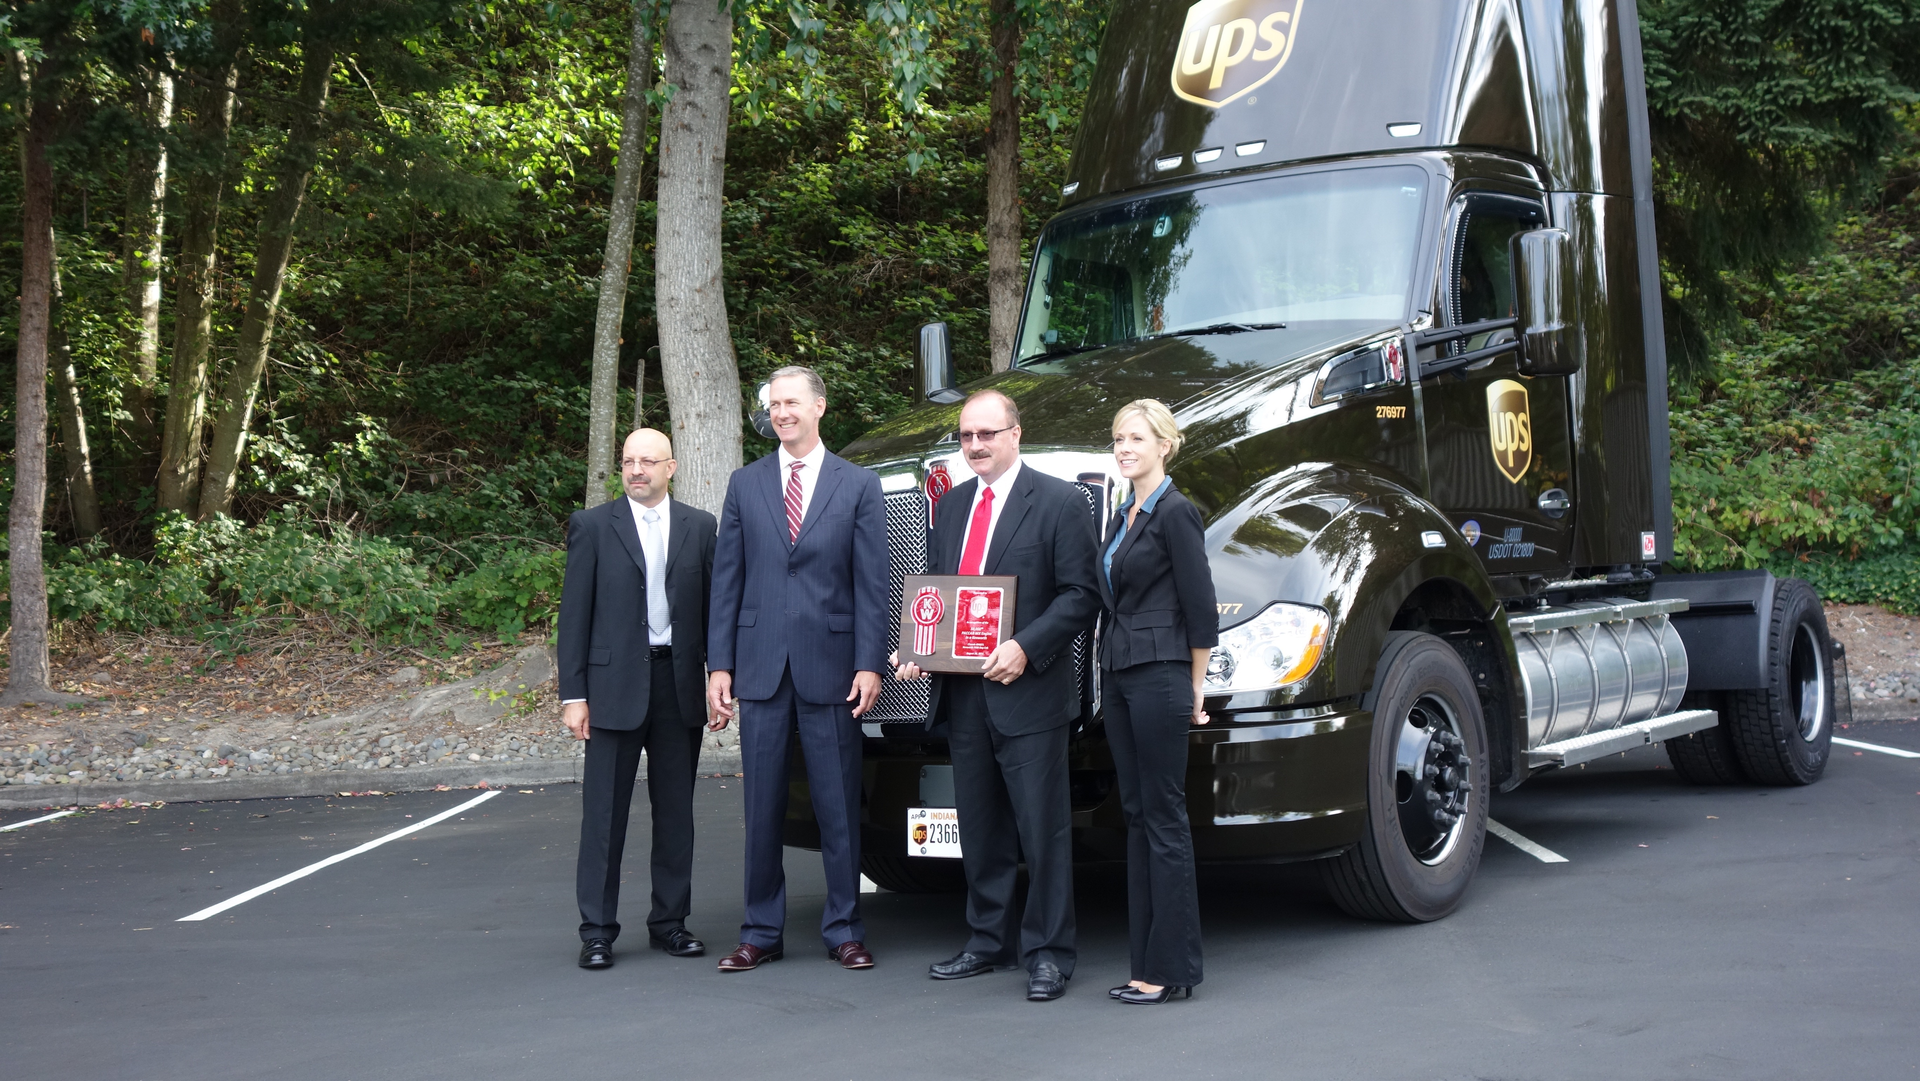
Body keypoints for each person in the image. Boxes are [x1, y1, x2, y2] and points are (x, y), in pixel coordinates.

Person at [892, 389, 1102, 1002]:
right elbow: (940, 595)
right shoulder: (952, 506)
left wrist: (1026, 646)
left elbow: (1081, 596)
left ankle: (1048, 953)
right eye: (966, 436)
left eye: (987, 434)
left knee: (1042, 831)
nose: (976, 446)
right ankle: (987, 941)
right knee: (979, 826)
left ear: (1015, 434)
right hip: (963, 696)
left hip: (1029, 692)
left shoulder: (1062, 502)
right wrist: (917, 648)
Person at [707, 365, 889, 973]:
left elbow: (872, 584)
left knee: (837, 804)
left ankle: (844, 927)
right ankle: (760, 930)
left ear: (819, 406)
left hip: (833, 667)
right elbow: (725, 582)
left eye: (792, 402)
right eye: (774, 404)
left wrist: (869, 663)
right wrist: (719, 665)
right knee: (761, 809)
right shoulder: (744, 483)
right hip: (758, 668)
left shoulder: (859, 484)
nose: (781, 412)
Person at [558, 428, 718, 970]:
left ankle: (670, 923)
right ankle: (597, 931)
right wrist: (573, 694)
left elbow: (714, 612)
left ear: (671, 467)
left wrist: (721, 676)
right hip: (611, 689)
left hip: (678, 685)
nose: (636, 470)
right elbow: (574, 616)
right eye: (628, 461)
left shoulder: (700, 527)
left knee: (676, 814)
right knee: (604, 815)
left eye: (648, 461)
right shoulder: (593, 526)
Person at [1098, 399, 1218, 1004]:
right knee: (1138, 815)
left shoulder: (1176, 513)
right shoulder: (1124, 516)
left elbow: (1200, 608)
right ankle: (1144, 962)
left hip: (1163, 675)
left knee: (1164, 817)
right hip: (1119, 675)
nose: (1124, 448)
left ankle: (1172, 970)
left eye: (1136, 439)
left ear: (1163, 445)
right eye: (1118, 439)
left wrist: (1196, 685)